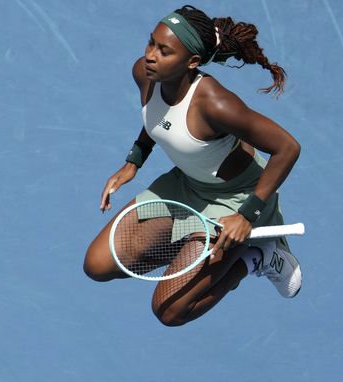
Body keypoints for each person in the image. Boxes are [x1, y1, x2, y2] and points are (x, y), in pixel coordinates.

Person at [83, 5, 302, 326]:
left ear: (192, 62)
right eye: (151, 43)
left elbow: (287, 147)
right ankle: (197, 249)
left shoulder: (215, 103)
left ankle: (258, 255)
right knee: (99, 265)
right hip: (186, 187)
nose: (151, 56)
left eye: (165, 51)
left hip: (236, 200)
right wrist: (135, 160)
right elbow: (158, 118)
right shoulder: (144, 74)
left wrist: (246, 215)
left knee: (170, 311)